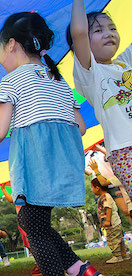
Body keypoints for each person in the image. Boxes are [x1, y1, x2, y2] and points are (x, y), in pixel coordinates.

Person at [0, 11, 103, 276]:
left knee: (31, 226)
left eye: (0, 50)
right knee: (36, 222)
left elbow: (0, 129)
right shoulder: (58, 80)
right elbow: (82, 126)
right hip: (64, 156)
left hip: (34, 158)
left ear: (13, 45)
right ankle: (78, 270)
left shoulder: (12, 80)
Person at [69, 0, 132, 196]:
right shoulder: (90, 73)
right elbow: (78, 32)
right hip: (125, 150)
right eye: (98, 31)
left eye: (112, 28)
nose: (109, 33)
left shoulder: (124, 63)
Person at [0, 183, 41, 276]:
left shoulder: (20, 191)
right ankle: (39, 263)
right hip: (26, 220)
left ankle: (40, 264)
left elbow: (11, 199)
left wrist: (3, 189)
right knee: (30, 243)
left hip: (26, 220)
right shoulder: (28, 190)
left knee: (31, 243)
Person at [91, 178, 129, 263]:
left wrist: (107, 221)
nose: (92, 190)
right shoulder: (105, 196)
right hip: (114, 223)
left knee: (113, 240)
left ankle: (117, 256)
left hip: (112, 224)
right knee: (119, 239)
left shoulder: (105, 197)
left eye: (92, 187)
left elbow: (108, 208)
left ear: (97, 188)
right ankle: (124, 254)